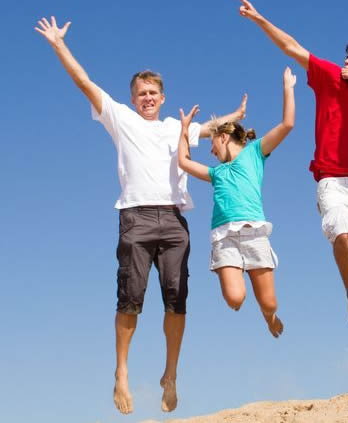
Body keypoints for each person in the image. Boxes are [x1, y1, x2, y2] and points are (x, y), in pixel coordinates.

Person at [35, 16, 247, 415]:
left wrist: (232, 114)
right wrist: (59, 45)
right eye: (141, 93)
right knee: (130, 299)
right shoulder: (121, 119)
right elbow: (84, 82)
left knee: (176, 300)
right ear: (132, 99)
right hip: (134, 218)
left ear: (163, 97)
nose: (147, 97)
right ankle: (121, 373)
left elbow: (209, 127)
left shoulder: (175, 128)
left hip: (173, 220)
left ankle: (170, 374)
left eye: (153, 92)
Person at [238, 1, 348, 340]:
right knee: (343, 236)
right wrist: (259, 19)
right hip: (331, 182)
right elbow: (292, 48)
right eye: (347, 55)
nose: (347, 59)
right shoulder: (329, 75)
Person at [177, 67, 296, 338]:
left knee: (269, 302)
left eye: (213, 145)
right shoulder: (216, 172)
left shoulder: (255, 153)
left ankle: (270, 317)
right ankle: (242, 283)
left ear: (222, 137)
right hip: (224, 237)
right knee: (235, 299)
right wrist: (184, 130)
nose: (211, 150)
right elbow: (183, 162)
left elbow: (287, 124)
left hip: (254, 232)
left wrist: (288, 88)